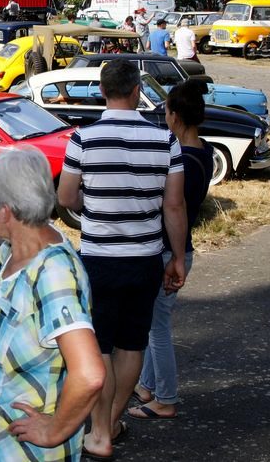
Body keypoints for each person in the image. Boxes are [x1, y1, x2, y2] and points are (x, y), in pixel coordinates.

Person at [58, 59, 187, 460]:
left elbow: (65, 198)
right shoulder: (166, 141)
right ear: (136, 92)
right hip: (145, 258)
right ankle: (112, 421)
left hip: (98, 258)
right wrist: (177, 258)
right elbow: (175, 205)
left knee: (99, 348)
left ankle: (99, 432)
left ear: (102, 91)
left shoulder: (83, 139)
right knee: (133, 345)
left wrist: (90, 205)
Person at [0, 149, 105, 461]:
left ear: (5, 210)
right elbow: (0, 292)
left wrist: (55, 430)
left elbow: (90, 373)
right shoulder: (15, 250)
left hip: (24, 453)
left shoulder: (53, 273)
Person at [129, 80, 212, 422]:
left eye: (165, 111)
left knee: (156, 327)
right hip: (180, 248)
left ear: (175, 116)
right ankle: (147, 386)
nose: (163, 116)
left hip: (168, 251)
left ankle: (165, 397)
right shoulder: (203, 149)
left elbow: (170, 207)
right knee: (154, 321)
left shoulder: (184, 161)